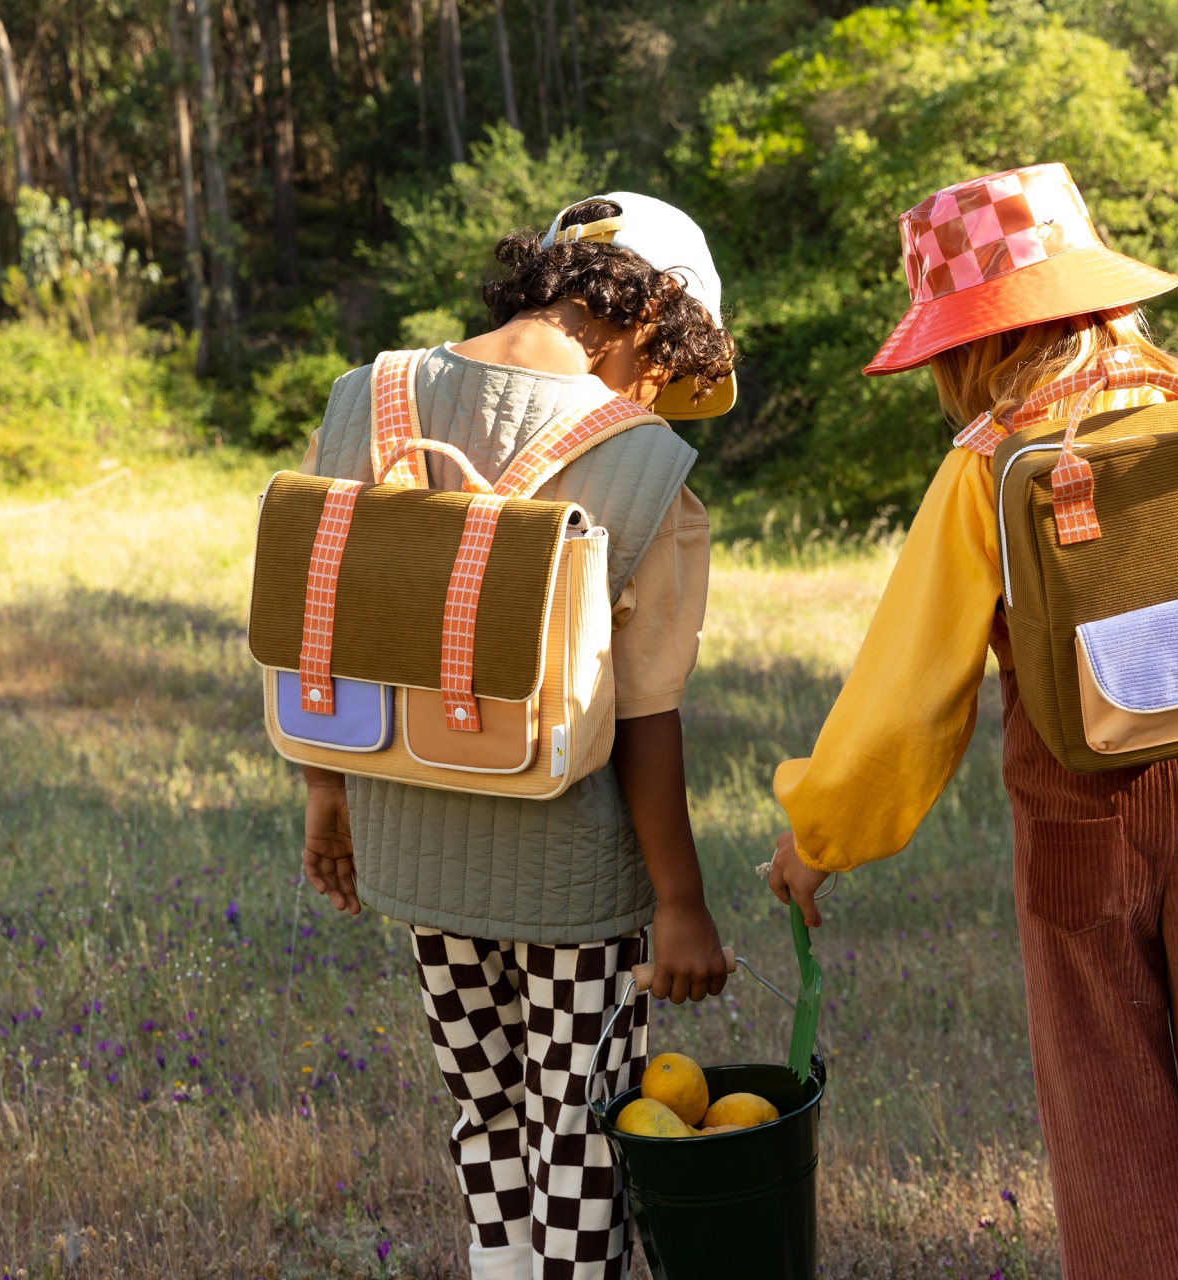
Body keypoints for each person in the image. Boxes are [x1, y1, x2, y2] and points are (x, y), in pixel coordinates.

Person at [768, 164, 1178, 1279]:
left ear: (972, 342)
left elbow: (911, 691)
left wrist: (821, 836)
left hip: (1075, 820)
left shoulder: (988, 466)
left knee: (1107, 1124)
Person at [296, 192, 737, 1280]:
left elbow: (327, 630)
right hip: (571, 872)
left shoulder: (366, 399)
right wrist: (679, 902)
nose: (652, 398)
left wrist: (327, 795)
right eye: (663, 369)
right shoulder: (645, 463)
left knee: (483, 1107)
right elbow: (645, 707)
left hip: (412, 835)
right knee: (579, 1130)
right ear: (651, 316)